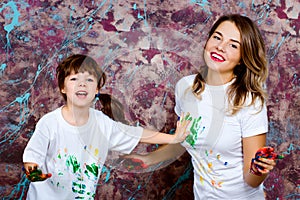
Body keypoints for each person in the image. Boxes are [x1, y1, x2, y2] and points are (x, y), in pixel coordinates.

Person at [125, 14, 280, 199]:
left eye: (233, 45)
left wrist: (258, 170)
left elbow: (252, 180)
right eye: (217, 37)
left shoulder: (248, 101)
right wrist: (147, 160)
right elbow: (183, 141)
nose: (220, 47)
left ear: (242, 58)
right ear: (207, 41)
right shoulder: (186, 88)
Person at [22, 54, 190, 200]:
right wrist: (33, 171)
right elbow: (33, 156)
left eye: (89, 79)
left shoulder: (102, 123)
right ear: (63, 88)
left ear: (96, 89)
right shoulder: (50, 122)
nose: (82, 84)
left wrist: (173, 138)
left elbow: (137, 134)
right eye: (74, 79)